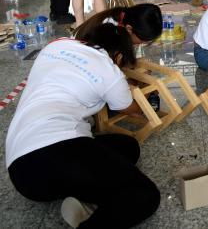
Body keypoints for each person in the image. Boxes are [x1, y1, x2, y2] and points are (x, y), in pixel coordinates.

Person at [5, 19, 161, 228]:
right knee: (144, 195)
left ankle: (79, 192)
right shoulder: (109, 71)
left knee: (128, 147)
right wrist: (143, 99)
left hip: (20, 167)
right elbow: (129, 107)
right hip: (55, 150)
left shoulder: (57, 45)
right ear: (119, 56)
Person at [74, 3, 163, 45]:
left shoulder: (120, 15)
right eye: (143, 40)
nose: (142, 44)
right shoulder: (109, 33)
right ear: (129, 29)